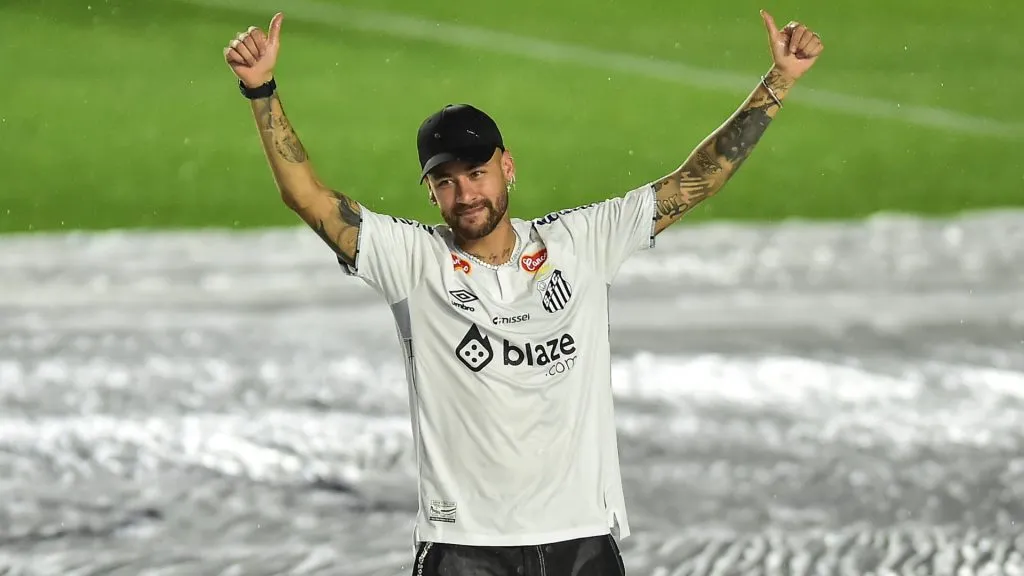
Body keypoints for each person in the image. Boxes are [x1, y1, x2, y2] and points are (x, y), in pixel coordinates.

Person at [223, 9, 823, 575]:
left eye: (477, 173)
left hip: (580, 537)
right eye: (446, 182)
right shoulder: (413, 259)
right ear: (430, 191)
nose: (466, 195)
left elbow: (695, 181)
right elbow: (307, 197)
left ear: (507, 167)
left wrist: (780, 80)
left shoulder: (581, 242)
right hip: (465, 548)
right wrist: (261, 90)